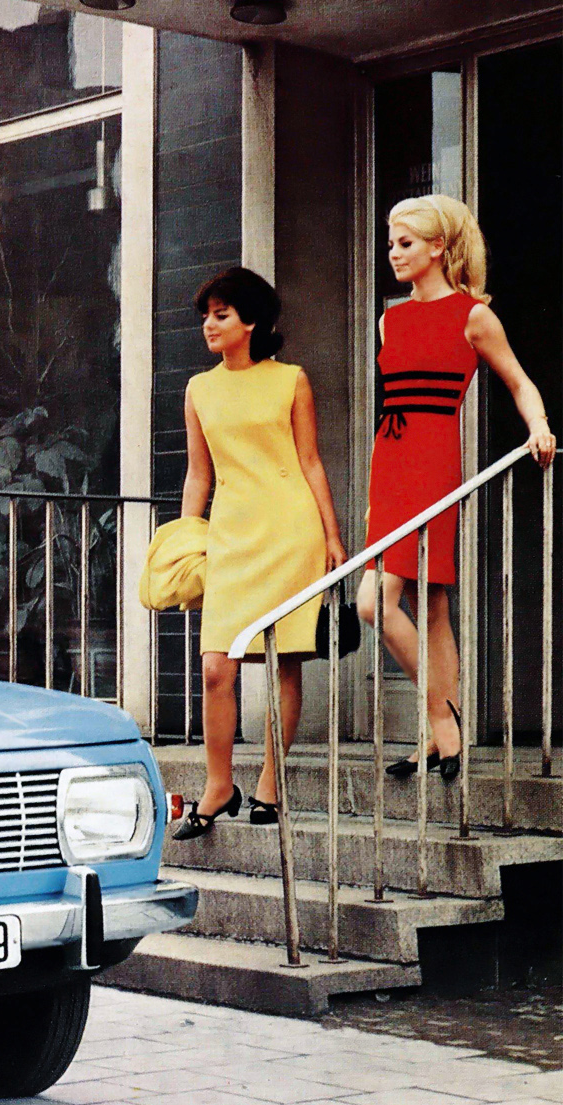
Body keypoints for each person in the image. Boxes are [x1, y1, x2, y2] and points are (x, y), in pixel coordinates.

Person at [356, 195, 555, 782]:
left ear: (439, 247)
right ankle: (443, 729)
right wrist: (373, 492)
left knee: (379, 603)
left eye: (406, 243)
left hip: (434, 463)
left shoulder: (473, 315)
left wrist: (538, 426)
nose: (394, 253)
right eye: (391, 243)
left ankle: (444, 725)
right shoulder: (391, 318)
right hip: (389, 461)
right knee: (427, 606)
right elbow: (390, 405)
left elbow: (519, 381)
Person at [173, 268, 347, 840]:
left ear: (251, 322)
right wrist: (184, 537)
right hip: (230, 536)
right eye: (207, 315)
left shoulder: (291, 380)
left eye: (221, 314)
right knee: (215, 667)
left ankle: (271, 783)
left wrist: (331, 537)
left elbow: (311, 461)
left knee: (284, 659)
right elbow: (199, 473)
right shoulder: (199, 389)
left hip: (289, 531)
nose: (209, 324)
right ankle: (219, 786)